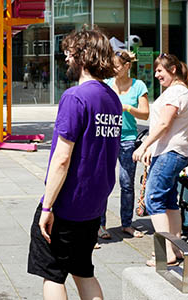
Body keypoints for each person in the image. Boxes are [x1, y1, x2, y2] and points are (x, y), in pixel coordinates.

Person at [26, 28, 118, 300]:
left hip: (67, 203)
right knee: (83, 271)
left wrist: (47, 206)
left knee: (53, 274)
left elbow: (62, 159)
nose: (65, 58)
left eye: (69, 53)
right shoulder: (112, 99)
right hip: (93, 206)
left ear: (83, 56)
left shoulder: (75, 97)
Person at [133, 53, 188, 267]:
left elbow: (163, 124)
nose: (157, 74)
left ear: (173, 70)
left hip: (170, 153)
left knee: (154, 200)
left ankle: (165, 252)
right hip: (173, 152)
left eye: (160, 70)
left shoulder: (176, 92)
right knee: (168, 201)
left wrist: (144, 145)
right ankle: (176, 248)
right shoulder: (179, 91)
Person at [100, 50, 149, 240]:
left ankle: (127, 224)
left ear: (127, 66)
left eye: (117, 66)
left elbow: (145, 114)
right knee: (103, 183)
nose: (114, 69)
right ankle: (100, 224)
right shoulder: (106, 85)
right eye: (112, 66)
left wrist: (127, 108)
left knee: (126, 183)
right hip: (107, 138)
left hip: (128, 140)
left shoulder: (139, 86)